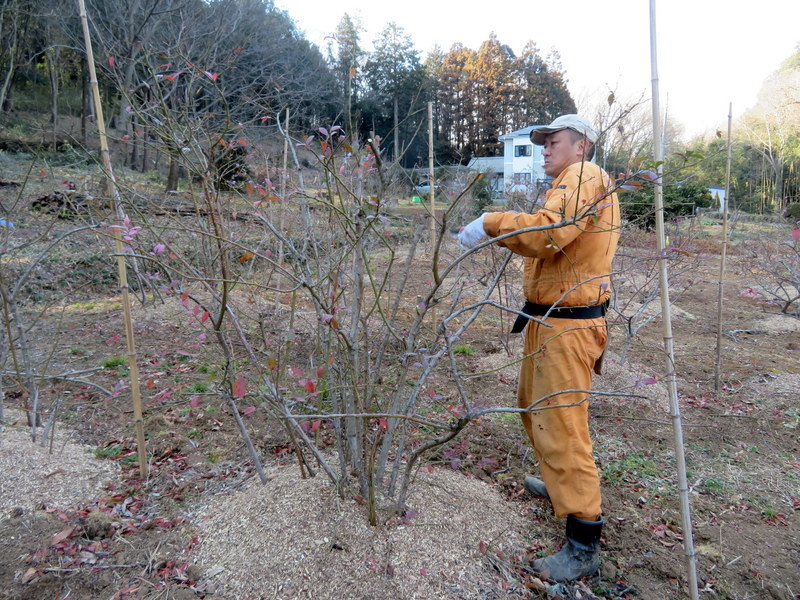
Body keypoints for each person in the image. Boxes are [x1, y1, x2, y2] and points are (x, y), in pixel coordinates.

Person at [458, 114, 620, 582]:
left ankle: (584, 540)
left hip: (568, 328)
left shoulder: (584, 176)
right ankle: (559, 487)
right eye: (543, 143)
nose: (546, 149)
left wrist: (491, 223)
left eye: (554, 142)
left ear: (581, 146)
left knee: (563, 425)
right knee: (535, 409)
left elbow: (551, 233)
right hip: (548, 322)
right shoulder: (574, 179)